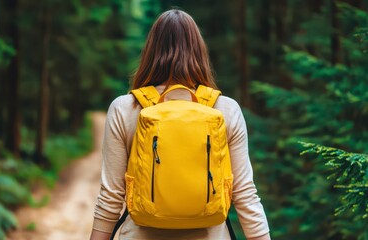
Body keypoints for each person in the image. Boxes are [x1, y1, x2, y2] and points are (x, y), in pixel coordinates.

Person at [90, 9, 271, 240]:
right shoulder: (226, 109)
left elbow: (111, 196)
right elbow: (244, 194)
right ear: (199, 52)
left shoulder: (125, 108)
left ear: (150, 53)